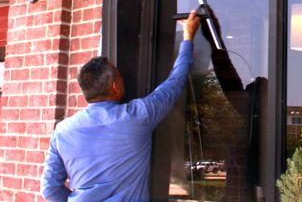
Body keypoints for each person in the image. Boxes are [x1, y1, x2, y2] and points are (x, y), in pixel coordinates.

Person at [41, 11, 201, 202]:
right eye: (119, 75)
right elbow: (175, 82)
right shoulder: (137, 117)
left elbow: (50, 190)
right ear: (115, 86)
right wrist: (188, 37)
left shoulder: (63, 131)